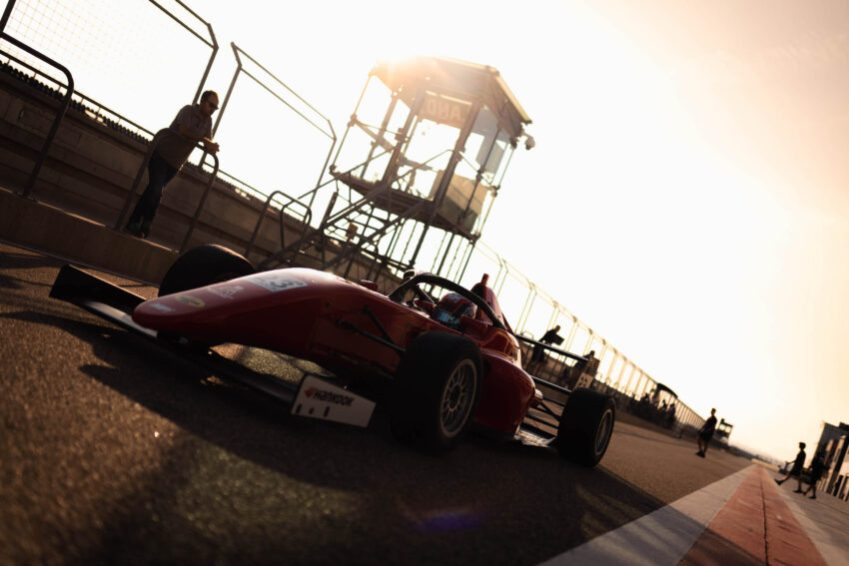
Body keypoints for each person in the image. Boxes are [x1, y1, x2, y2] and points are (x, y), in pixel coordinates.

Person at [125, 90, 221, 238]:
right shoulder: (188, 110)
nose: (213, 110)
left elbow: (208, 140)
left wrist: (212, 146)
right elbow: (184, 131)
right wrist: (204, 140)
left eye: (215, 108)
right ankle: (146, 224)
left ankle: (134, 222)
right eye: (211, 105)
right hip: (161, 154)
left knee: (153, 190)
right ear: (202, 101)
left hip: (176, 163)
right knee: (157, 189)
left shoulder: (208, 121)